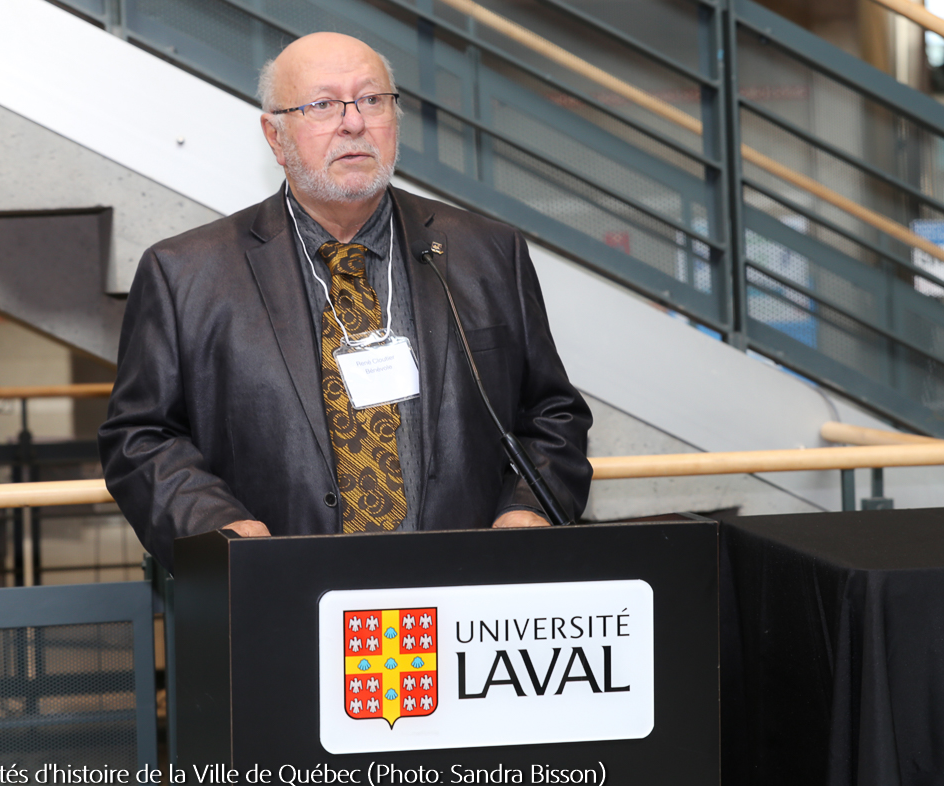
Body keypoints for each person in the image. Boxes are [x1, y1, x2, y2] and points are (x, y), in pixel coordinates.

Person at [99, 32, 592, 573]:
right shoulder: (186, 273)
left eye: (372, 99)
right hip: (286, 590)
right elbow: (142, 437)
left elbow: (553, 413)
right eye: (322, 105)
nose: (354, 122)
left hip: (465, 584)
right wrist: (219, 530)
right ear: (275, 137)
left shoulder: (488, 252)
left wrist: (528, 508)